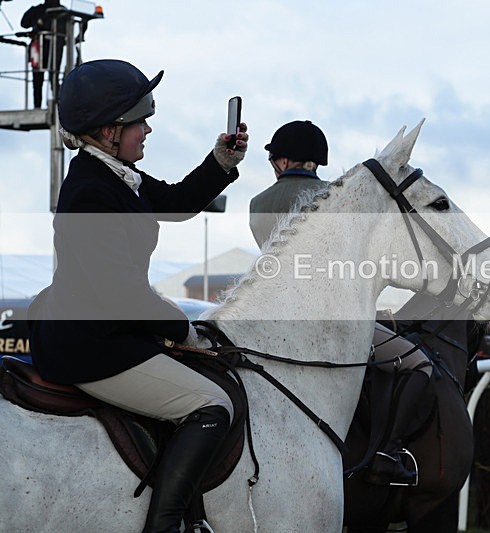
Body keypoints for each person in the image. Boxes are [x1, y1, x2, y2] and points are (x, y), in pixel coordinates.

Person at [27, 59, 248, 532]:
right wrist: (184, 328)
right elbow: (120, 293)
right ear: (109, 130)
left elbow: (177, 201)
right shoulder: (90, 190)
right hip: (93, 345)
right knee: (212, 405)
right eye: (139, 121)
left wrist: (221, 162)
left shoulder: (114, 173)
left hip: (107, 327)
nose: (147, 129)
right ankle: (165, 524)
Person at [249, 120, 432, 486]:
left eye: (274, 159)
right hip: (333, 320)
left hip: (274, 318)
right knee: (417, 364)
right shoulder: (338, 199)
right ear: (317, 160)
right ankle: (388, 451)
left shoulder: (258, 203)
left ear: (283, 161)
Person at [20, 0, 66, 108]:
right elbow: (24, 23)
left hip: (52, 49)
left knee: (50, 78)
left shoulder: (62, 12)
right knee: (46, 79)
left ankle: (55, 105)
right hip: (41, 50)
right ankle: (55, 105)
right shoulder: (62, 12)